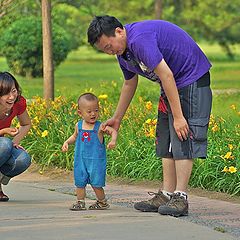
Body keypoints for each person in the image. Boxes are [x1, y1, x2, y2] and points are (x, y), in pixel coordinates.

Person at [87, 15, 212, 217]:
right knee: (166, 139)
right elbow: (129, 83)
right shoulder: (124, 54)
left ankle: (181, 196)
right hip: (171, 84)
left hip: (191, 79)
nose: (111, 52)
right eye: (105, 51)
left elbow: (167, 74)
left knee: (183, 136)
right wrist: (117, 119)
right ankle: (166, 194)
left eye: (109, 46)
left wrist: (179, 117)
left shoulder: (139, 40)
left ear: (119, 31)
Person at [62, 93, 118, 211]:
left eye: (96, 110)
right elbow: (74, 136)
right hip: (80, 160)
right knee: (80, 182)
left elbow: (113, 131)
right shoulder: (79, 125)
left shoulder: (100, 127)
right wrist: (66, 142)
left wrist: (113, 140)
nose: (93, 114)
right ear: (80, 113)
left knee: (96, 183)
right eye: (89, 111)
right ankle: (80, 202)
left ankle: (102, 202)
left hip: (96, 162)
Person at [0, 72, 32, 202]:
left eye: (14, 91)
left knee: (22, 158)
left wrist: (15, 142)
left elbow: (26, 124)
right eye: (6, 93)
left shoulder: (18, 103)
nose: (12, 96)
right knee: (4, 144)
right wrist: (4, 131)